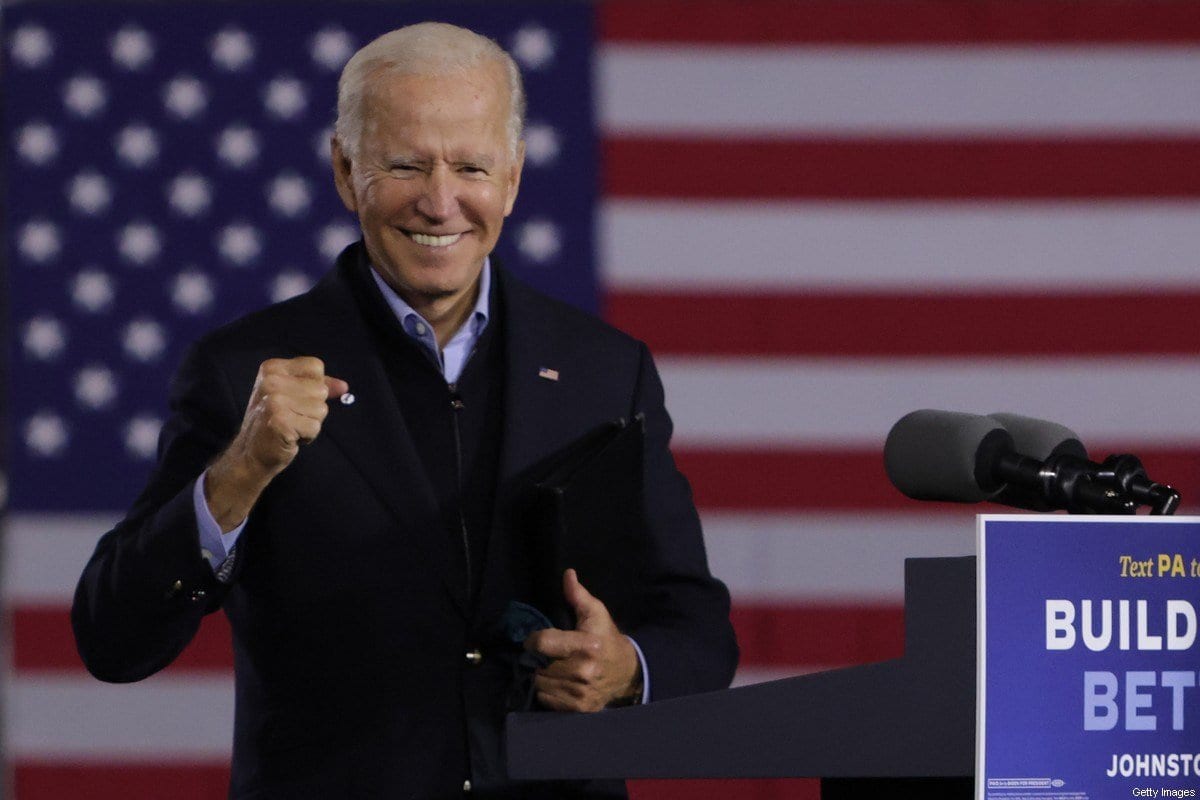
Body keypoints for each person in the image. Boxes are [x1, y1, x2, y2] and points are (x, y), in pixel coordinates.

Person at [72, 21, 737, 799]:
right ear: (345, 171)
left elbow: (696, 627)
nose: (440, 200)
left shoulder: (605, 370)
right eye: (405, 164)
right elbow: (112, 640)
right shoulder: (238, 372)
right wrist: (239, 473)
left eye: (472, 166)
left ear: (514, 179)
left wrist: (627, 671)